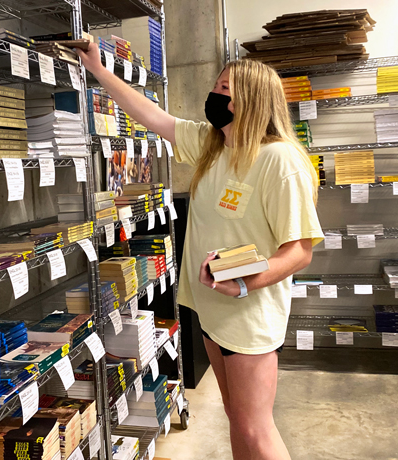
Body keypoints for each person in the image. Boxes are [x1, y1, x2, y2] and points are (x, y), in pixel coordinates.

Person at [77, 43, 323, 460]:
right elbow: (150, 115)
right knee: (236, 417)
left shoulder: (280, 160)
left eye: (225, 87)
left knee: (256, 427)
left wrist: (247, 283)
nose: (215, 95)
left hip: (249, 315)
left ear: (252, 98)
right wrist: (99, 70)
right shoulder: (213, 146)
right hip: (212, 308)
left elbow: (299, 250)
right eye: (215, 85)